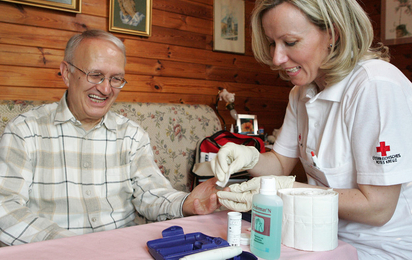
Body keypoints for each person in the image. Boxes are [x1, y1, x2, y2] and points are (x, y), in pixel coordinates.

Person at [211, 0, 412, 259]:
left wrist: (286, 190)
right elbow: (281, 164)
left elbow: (378, 209)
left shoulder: (375, 85)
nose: (277, 58)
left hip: (382, 248)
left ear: (333, 33)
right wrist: (249, 156)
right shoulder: (302, 92)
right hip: (318, 238)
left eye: (290, 42)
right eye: (272, 43)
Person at [0, 29, 220, 246]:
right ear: (67, 73)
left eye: (116, 79)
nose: (105, 89)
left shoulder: (132, 135)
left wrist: (184, 202)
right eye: (95, 75)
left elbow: (151, 193)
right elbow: (5, 208)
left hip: (122, 250)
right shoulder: (24, 131)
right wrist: (68, 245)